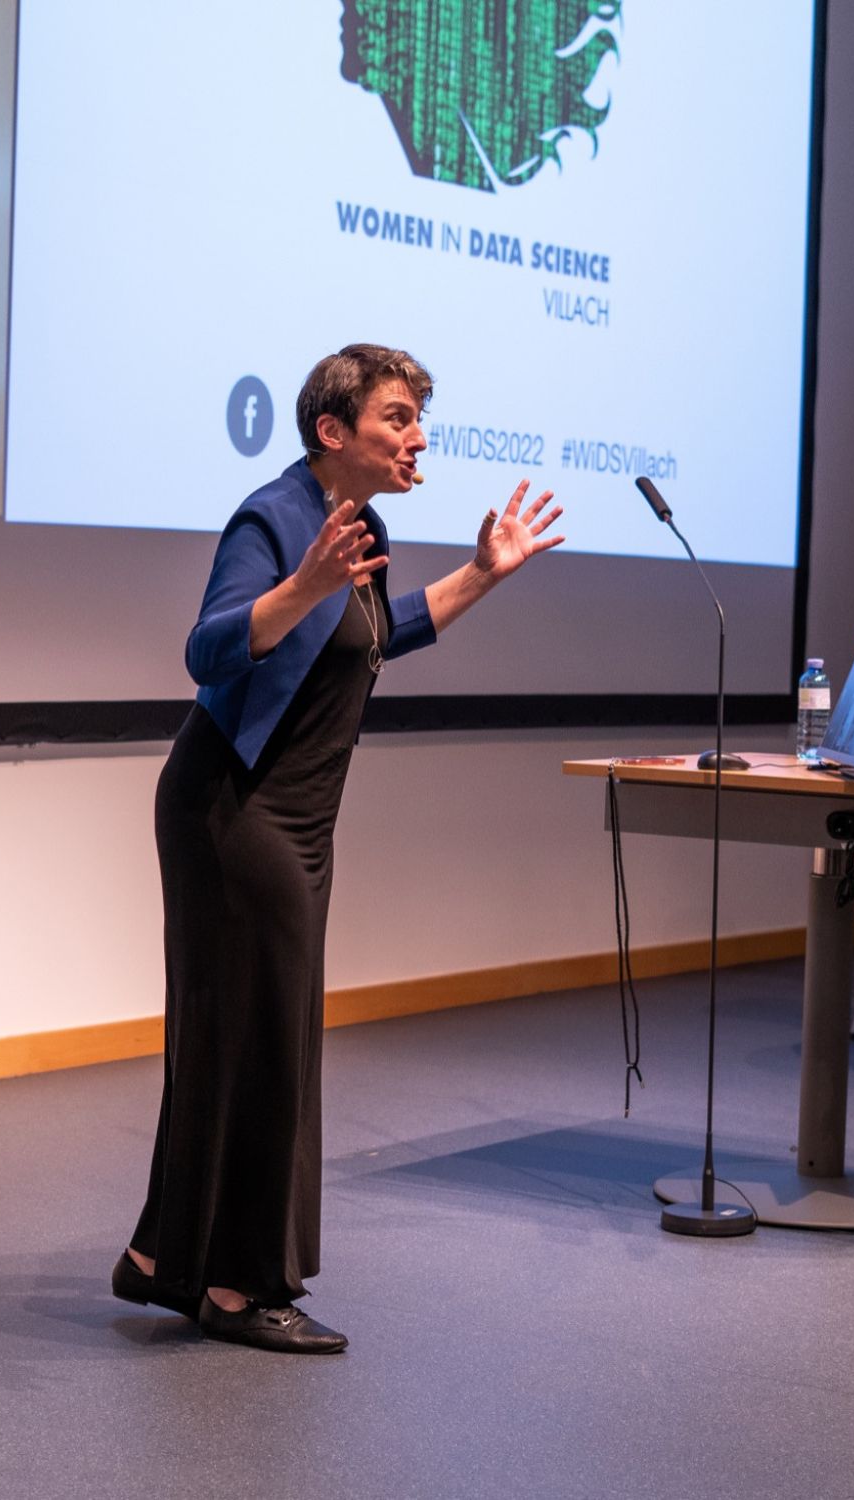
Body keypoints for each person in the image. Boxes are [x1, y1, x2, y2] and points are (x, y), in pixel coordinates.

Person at [113, 343, 563, 1354]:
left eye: (418, 419)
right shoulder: (276, 519)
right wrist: (305, 582)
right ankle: (237, 1287)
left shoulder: (362, 529)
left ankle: (161, 1257)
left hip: (295, 817)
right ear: (333, 431)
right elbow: (210, 646)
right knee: (266, 1046)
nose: (418, 437)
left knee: (241, 1040)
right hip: (236, 806)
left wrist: (481, 577)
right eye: (398, 418)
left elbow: (374, 636)